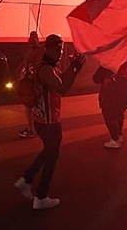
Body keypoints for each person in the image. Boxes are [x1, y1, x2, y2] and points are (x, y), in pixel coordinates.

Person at [13, 35, 85, 210]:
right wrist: (75, 68)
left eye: (60, 49)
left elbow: (61, 82)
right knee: (52, 155)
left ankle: (27, 180)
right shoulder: (45, 69)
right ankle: (41, 196)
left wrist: (73, 68)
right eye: (55, 49)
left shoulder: (47, 67)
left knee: (50, 152)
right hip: (48, 121)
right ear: (46, 49)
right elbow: (62, 88)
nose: (59, 53)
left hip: (44, 119)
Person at [93, 59, 127, 148]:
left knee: (109, 115)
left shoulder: (107, 63)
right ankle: (119, 135)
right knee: (119, 113)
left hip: (111, 95)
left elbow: (96, 78)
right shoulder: (126, 62)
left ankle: (115, 139)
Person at [15, 32, 44, 138]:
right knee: (37, 105)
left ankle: (31, 129)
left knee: (29, 105)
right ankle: (38, 128)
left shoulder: (30, 53)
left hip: (33, 82)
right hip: (39, 80)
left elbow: (25, 69)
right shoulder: (41, 51)